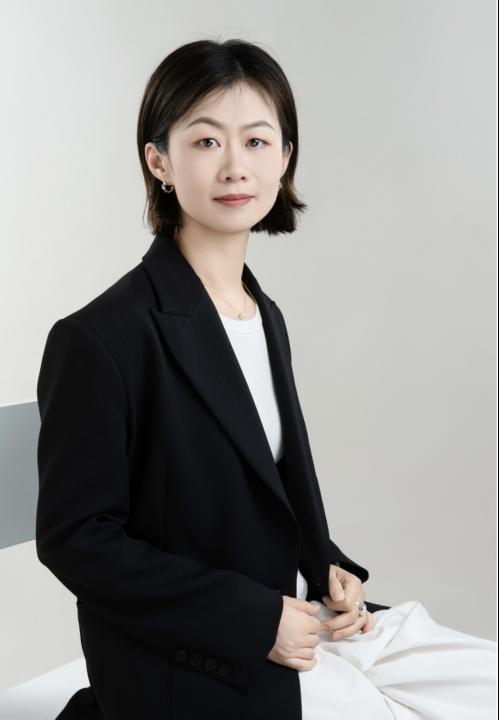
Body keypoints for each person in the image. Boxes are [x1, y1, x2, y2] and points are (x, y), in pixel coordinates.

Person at [36, 38, 497, 720]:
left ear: (284, 159)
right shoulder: (100, 338)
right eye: (205, 141)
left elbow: (259, 490)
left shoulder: (261, 313)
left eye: (256, 141)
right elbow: (77, 540)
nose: (235, 166)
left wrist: (327, 567)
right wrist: (253, 620)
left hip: (305, 623)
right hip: (198, 656)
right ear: (158, 161)